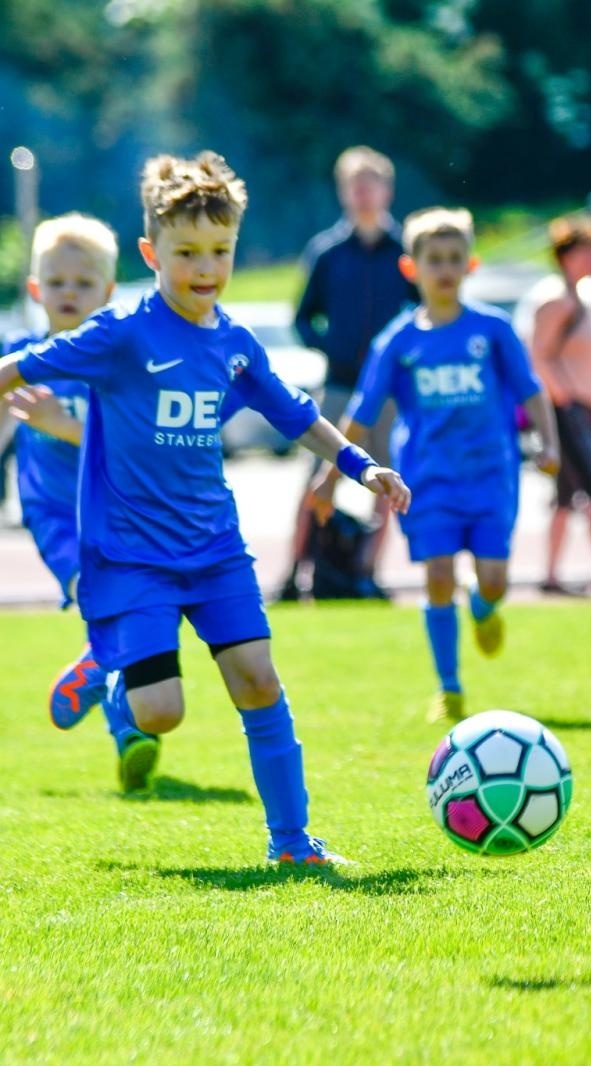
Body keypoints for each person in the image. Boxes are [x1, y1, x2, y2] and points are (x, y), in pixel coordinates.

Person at [0, 151, 411, 864]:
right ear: (151, 253)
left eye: (220, 251)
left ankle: (293, 844)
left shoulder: (234, 345)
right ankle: (111, 672)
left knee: (258, 681)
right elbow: (22, 366)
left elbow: (297, 415)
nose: (205, 267)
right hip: (133, 559)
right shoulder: (121, 333)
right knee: (161, 713)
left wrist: (361, 464)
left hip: (215, 550)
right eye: (187, 252)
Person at [315, 207, 559, 724]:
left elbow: (532, 392)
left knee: (493, 579)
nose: (445, 269)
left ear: (470, 264)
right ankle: (449, 687)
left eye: (454, 258)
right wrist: (330, 476)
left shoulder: (492, 329)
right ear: (412, 268)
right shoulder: (398, 341)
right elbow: (361, 413)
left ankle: (484, 606)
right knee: (439, 575)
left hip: (491, 477)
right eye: (434, 259)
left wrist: (549, 444)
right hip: (427, 480)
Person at [0, 213, 149, 785]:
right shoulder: (21, 356)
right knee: (98, 602)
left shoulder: (115, 363)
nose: (69, 293)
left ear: (108, 291)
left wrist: (61, 425)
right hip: (55, 516)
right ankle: (127, 729)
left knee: (131, 618)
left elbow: (134, 446)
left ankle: (117, 708)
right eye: (57, 282)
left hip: (115, 514)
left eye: (83, 283)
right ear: (35, 288)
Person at [282, 146, 417, 601]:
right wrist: (333, 348)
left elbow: (424, 315)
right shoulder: (328, 253)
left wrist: (400, 361)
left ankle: (366, 571)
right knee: (318, 475)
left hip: (390, 390)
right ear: (343, 193)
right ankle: (294, 574)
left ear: (387, 190)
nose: (363, 195)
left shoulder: (405, 251)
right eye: (354, 187)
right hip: (340, 385)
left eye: (370, 185)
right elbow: (303, 318)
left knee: (389, 481)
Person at [528, 213, 591, 596]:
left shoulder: (587, 296)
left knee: (566, 494)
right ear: (564, 256)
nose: (590, 260)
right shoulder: (556, 300)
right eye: (582, 253)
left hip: (588, 407)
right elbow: (538, 356)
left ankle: (551, 575)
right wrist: (565, 400)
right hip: (568, 410)